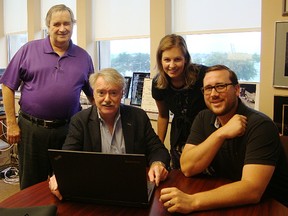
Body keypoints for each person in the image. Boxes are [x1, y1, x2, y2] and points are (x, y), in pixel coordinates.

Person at [159, 65, 288, 213]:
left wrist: (193, 201)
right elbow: (188, 167)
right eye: (208, 88)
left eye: (221, 86)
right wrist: (220, 133)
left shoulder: (261, 126)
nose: (213, 94)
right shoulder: (203, 117)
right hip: (228, 198)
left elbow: (252, 190)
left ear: (237, 90)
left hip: (270, 206)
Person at [0, 4, 94, 190]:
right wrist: (11, 123)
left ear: (73, 25)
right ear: (48, 26)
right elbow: (8, 85)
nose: (62, 28)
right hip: (32, 129)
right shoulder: (28, 50)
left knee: (67, 181)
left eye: (67, 23)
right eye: (56, 24)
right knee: (31, 185)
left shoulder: (83, 57)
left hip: (69, 130)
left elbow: (94, 95)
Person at [49, 68, 170, 200]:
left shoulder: (138, 117)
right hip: (94, 190)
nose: (107, 99)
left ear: (122, 94)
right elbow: (67, 157)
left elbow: (158, 149)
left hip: (132, 187)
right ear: (93, 95)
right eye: (101, 93)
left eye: (113, 93)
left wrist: (158, 163)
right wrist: (59, 177)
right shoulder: (80, 121)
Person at [152, 34, 207, 169]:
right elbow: (163, 116)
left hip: (204, 131)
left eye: (177, 59)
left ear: (186, 59)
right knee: (179, 171)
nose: (172, 65)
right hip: (179, 134)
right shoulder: (158, 83)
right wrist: (159, 148)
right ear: (160, 60)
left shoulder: (203, 75)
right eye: (167, 60)